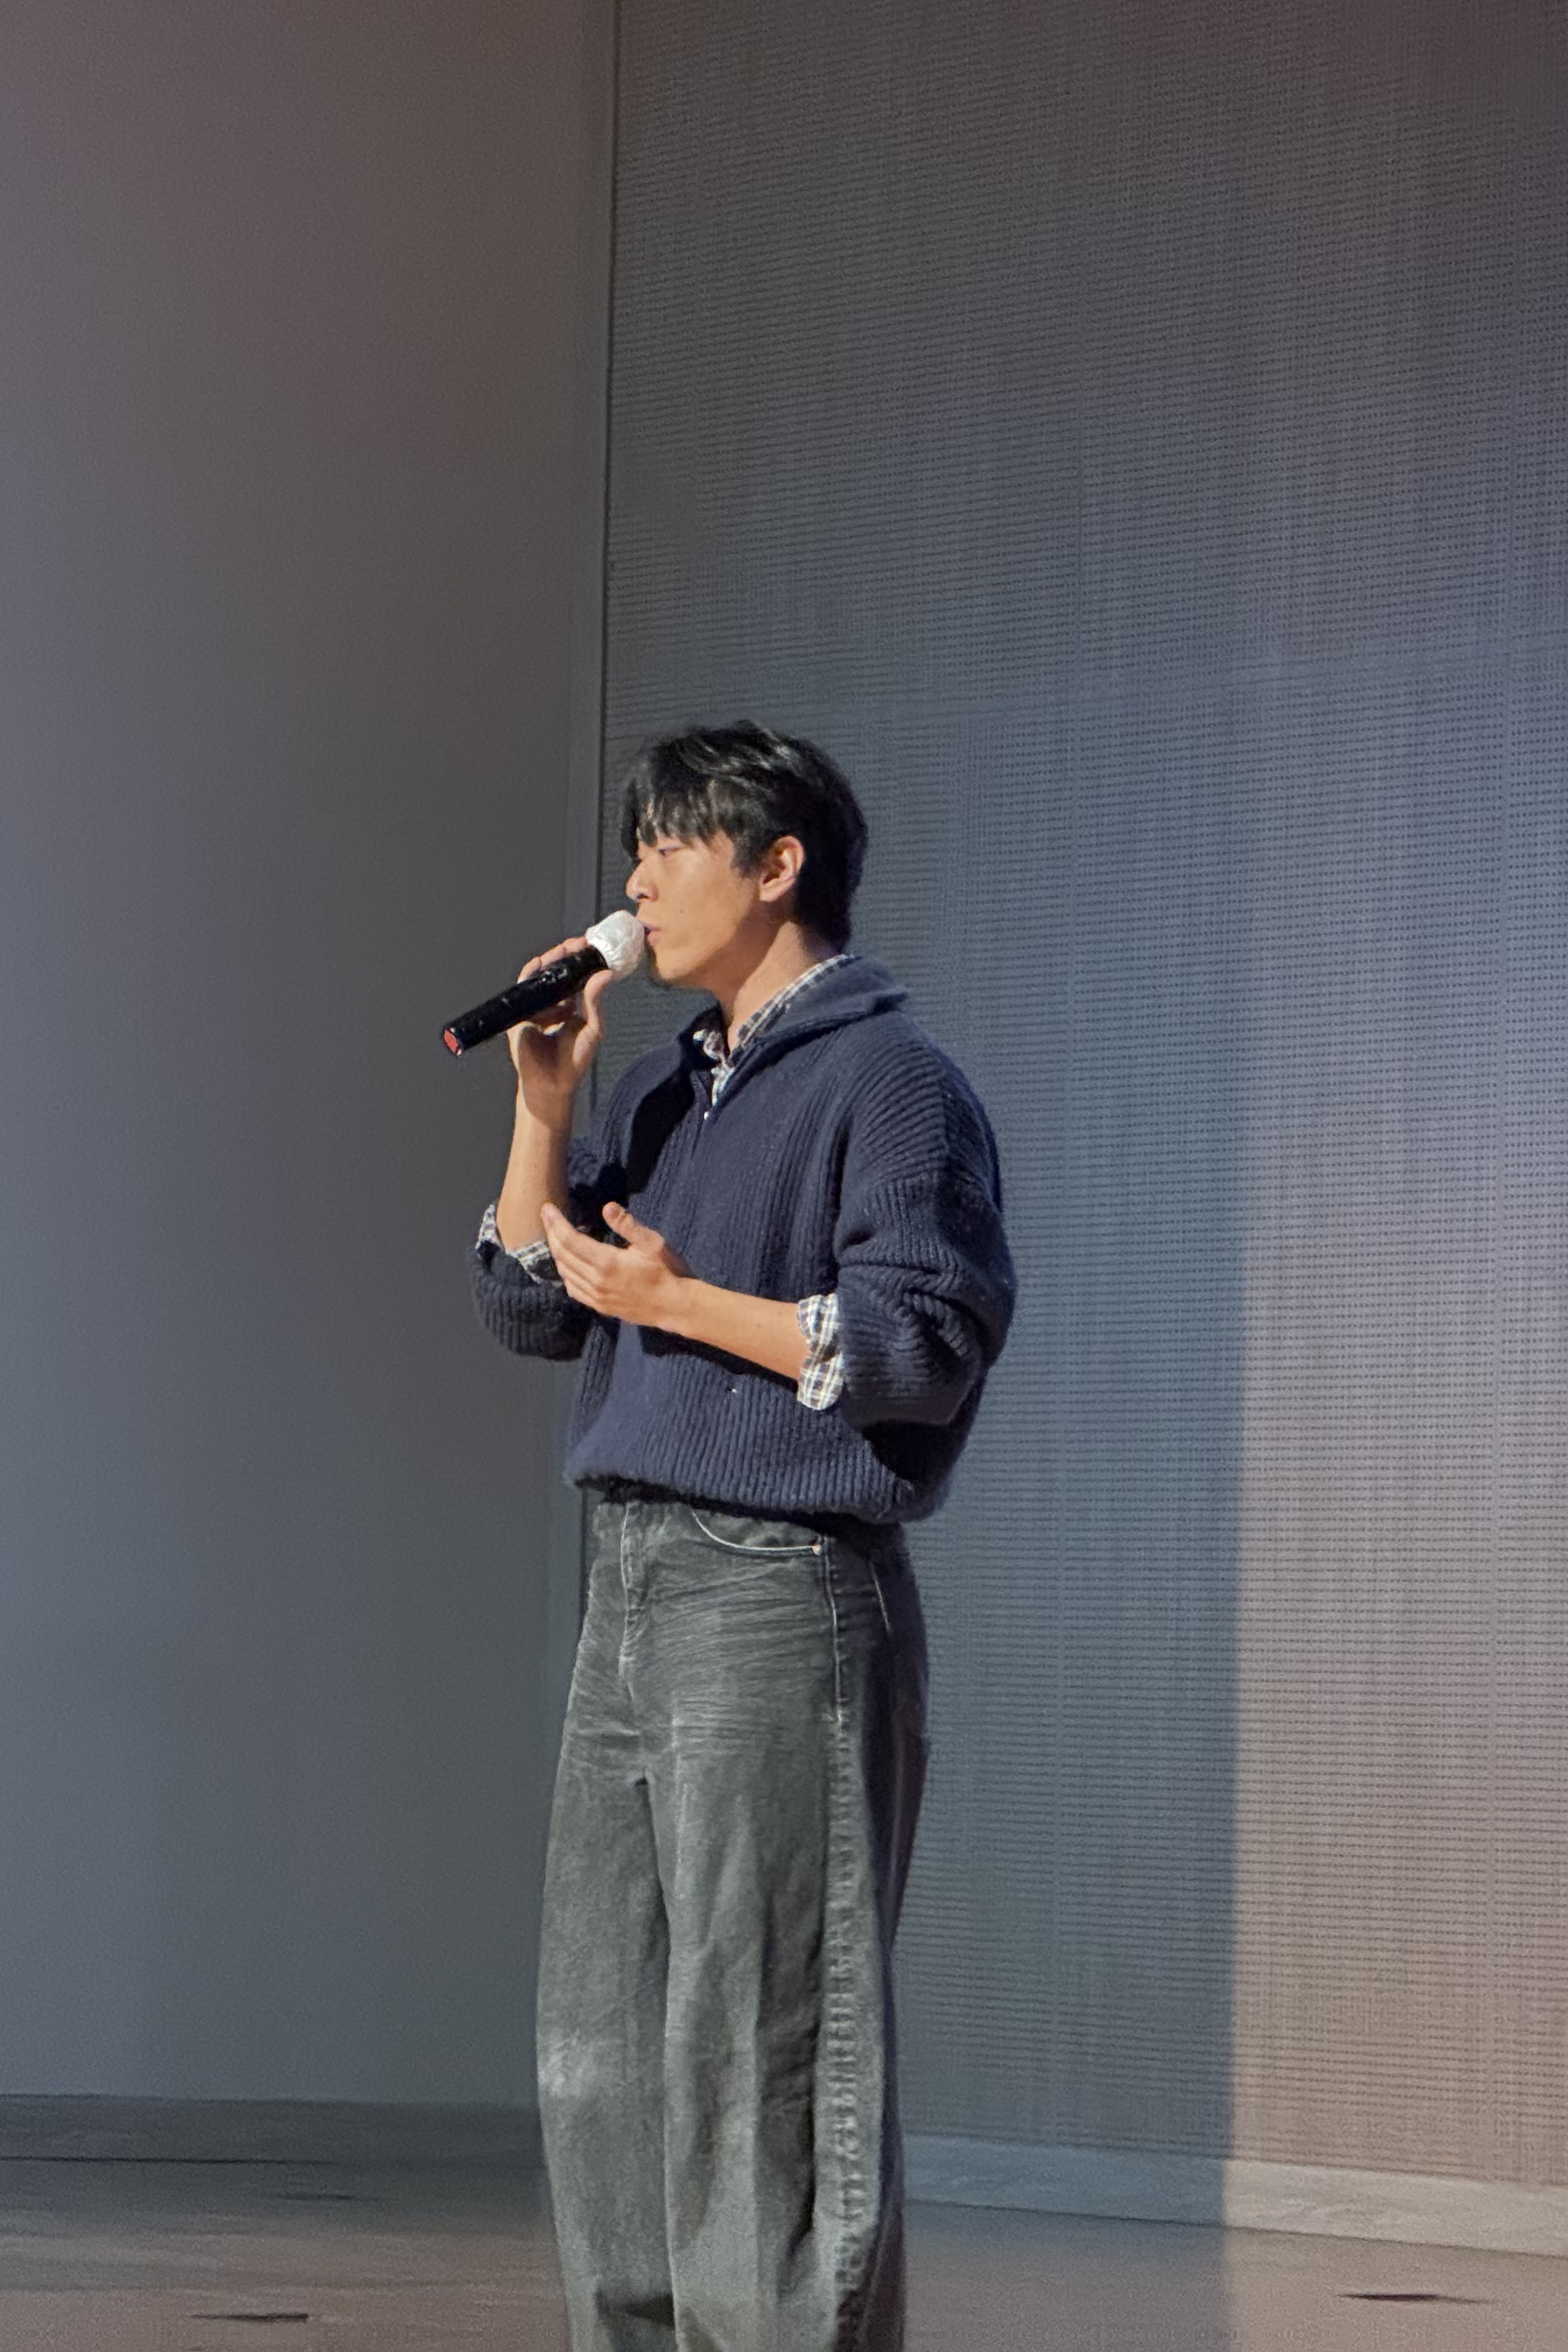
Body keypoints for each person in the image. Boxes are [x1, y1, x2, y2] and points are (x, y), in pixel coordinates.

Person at [472, 720, 1015, 2352]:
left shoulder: (893, 1080)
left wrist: (684, 1303)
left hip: (780, 1589)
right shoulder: (665, 1088)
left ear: (777, 866)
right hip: (632, 1586)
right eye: (634, 846)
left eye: (670, 842)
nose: (636, 877)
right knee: (602, 2052)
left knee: (766, 2050)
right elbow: (526, 1308)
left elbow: (923, 1344)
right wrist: (545, 1106)